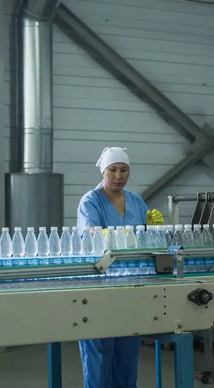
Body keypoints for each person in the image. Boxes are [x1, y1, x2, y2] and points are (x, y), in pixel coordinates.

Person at [76, 147, 164, 388]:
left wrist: (153, 229)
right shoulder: (90, 201)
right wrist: (111, 236)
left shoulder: (136, 200)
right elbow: (88, 236)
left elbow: (148, 241)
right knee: (99, 353)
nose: (118, 175)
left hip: (132, 284)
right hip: (100, 287)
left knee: (128, 350)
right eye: (112, 169)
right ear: (103, 171)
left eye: (124, 170)